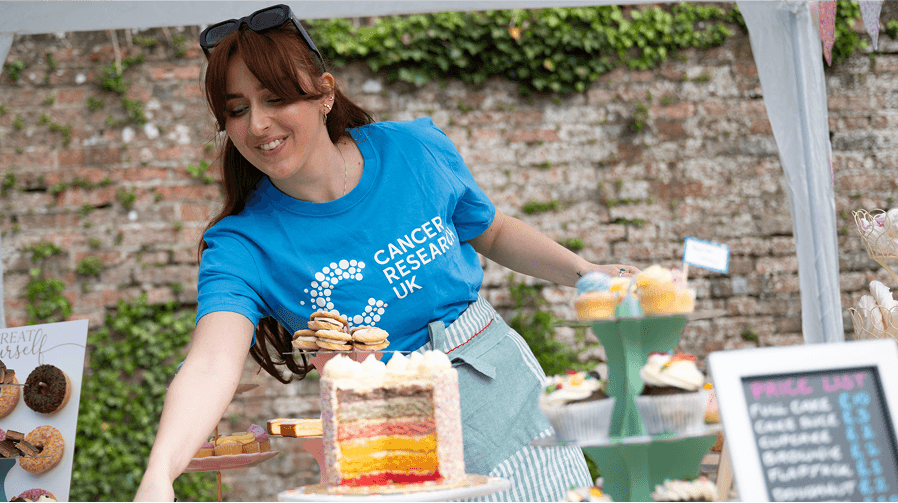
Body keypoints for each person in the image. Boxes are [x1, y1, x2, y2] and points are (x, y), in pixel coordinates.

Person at [134, 5, 639, 501]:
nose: (258, 124)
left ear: (324, 94)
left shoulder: (411, 149)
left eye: (275, 98)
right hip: (376, 433)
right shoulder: (241, 245)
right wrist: (159, 473)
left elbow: (491, 230)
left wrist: (585, 271)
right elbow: (210, 364)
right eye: (237, 109)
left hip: (497, 390)